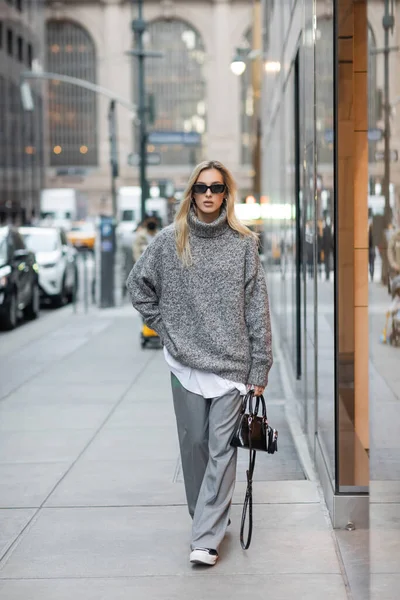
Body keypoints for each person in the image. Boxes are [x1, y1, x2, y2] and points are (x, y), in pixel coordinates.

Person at [126, 160, 273, 567]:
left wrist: (260, 366)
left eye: (217, 188)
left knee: (221, 448)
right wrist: (166, 327)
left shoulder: (244, 243)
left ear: (227, 194)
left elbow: (257, 307)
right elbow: (138, 287)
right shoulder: (171, 240)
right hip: (185, 364)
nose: (209, 194)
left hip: (232, 366)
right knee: (194, 448)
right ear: (191, 192)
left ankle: (206, 537)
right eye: (202, 187)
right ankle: (206, 517)